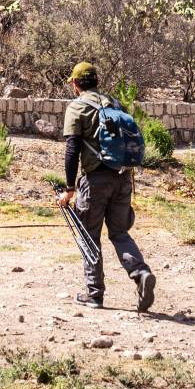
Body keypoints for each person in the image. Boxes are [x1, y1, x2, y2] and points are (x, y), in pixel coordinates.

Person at [57, 62, 156, 311]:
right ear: (96, 81)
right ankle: (141, 273)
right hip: (122, 177)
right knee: (120, 233)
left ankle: (95, 294)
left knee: (90, 236)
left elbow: (72, 149)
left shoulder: (77, 107)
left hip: (95, 181)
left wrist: (70, 188)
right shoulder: (114, 103)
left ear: (75, 83)